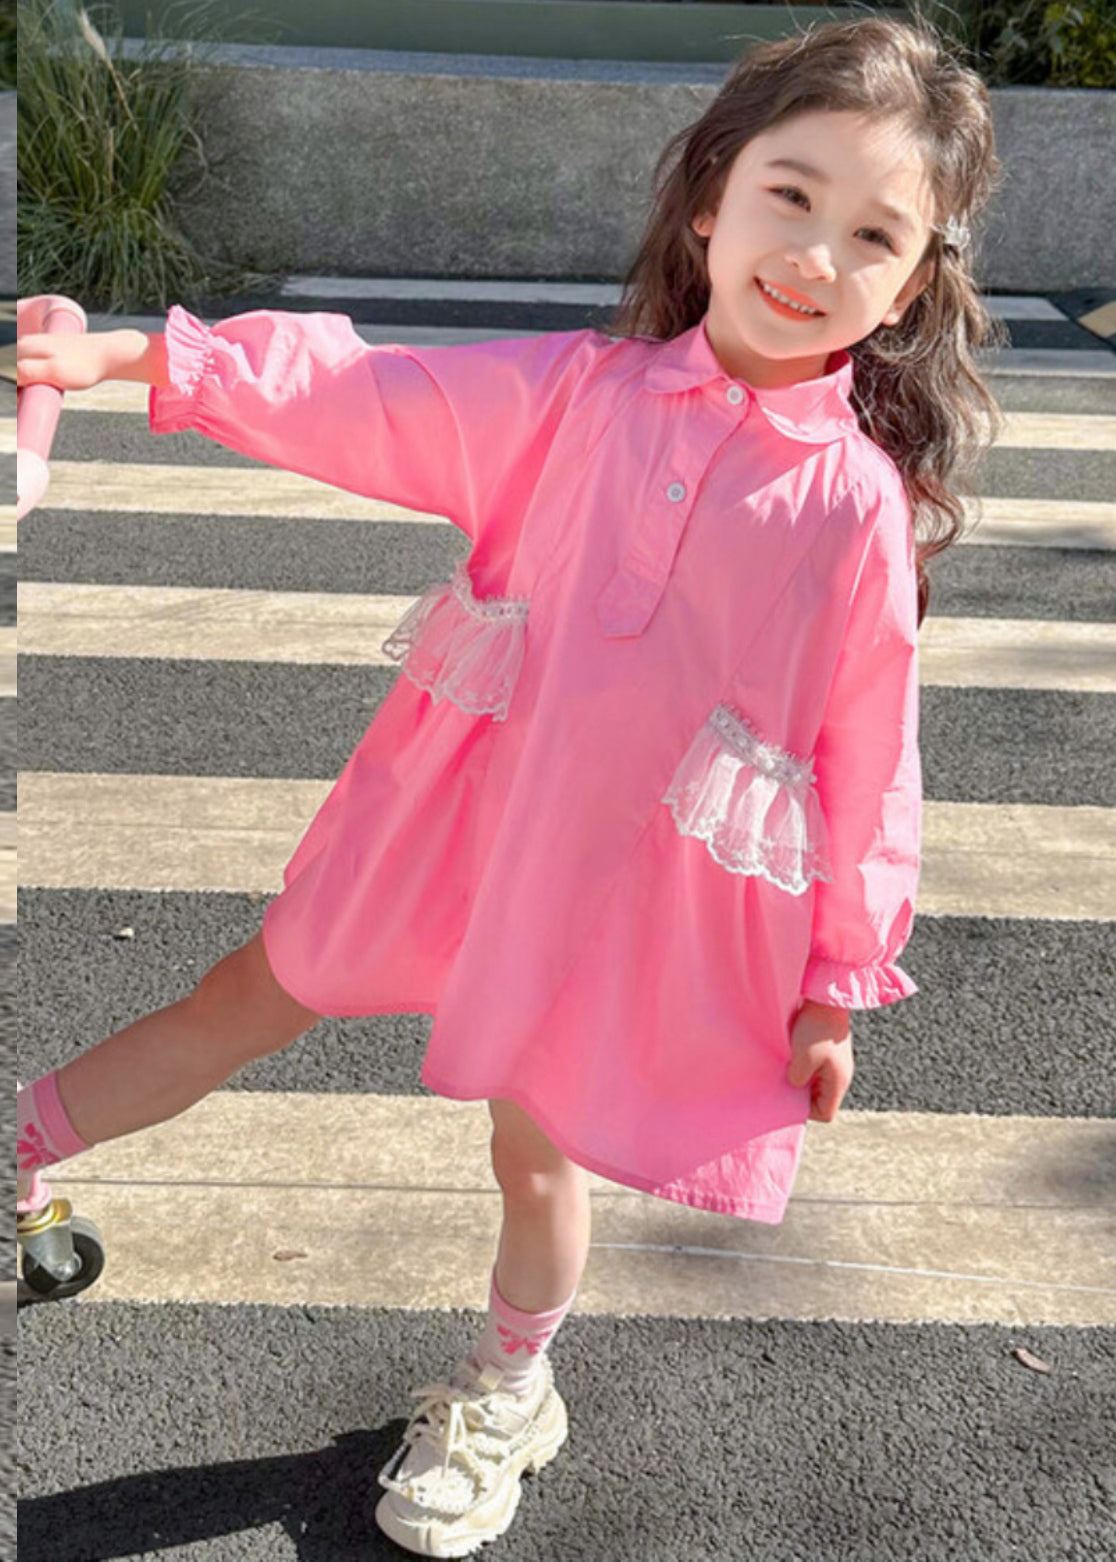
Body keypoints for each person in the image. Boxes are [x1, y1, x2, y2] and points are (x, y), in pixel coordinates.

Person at [16, 14, 1009, 1558]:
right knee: (243, 994)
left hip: (612, 888)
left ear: (916, 283)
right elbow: (368, 392)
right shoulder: (573, 394)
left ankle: (507, 1387)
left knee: (533, 1145)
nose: (817, 253)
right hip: (456, 818)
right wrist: (133, 356)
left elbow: (871, 760)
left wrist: (836, 979)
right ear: (712, 201)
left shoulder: (851, 511)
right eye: (790, 194)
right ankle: (18, 1151)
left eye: (875, 233)